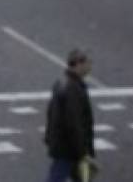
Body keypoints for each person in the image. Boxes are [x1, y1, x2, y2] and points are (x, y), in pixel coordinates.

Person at [43, 49, 95, 182]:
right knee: (58, 177)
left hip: (65, 146)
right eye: (87, 63)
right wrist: (83, 152)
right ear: (78, 64)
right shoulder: (73, 89)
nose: (89, 66)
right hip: (68, 148)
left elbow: (50, 113)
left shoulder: (67, 84)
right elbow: (74, 123)